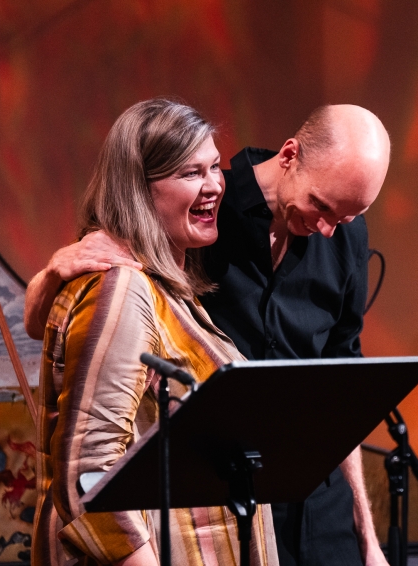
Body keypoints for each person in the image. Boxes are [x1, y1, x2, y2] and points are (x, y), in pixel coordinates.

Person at [25, 104, 391, 566]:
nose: (327, 229)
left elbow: (339, 382)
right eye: (321, 205)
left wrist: (367, 536)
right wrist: (56, 269)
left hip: (308, 514)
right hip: (198, 517)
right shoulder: (196, 225)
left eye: (347, 217)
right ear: (289, 156)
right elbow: (89, 466)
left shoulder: (329, 237)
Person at [31, 98, 279, 566]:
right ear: (138, 190)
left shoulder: (167, 289)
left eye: (214, 167)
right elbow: (89, 472)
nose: (214, 185)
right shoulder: (124, 289)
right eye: (191, 173)